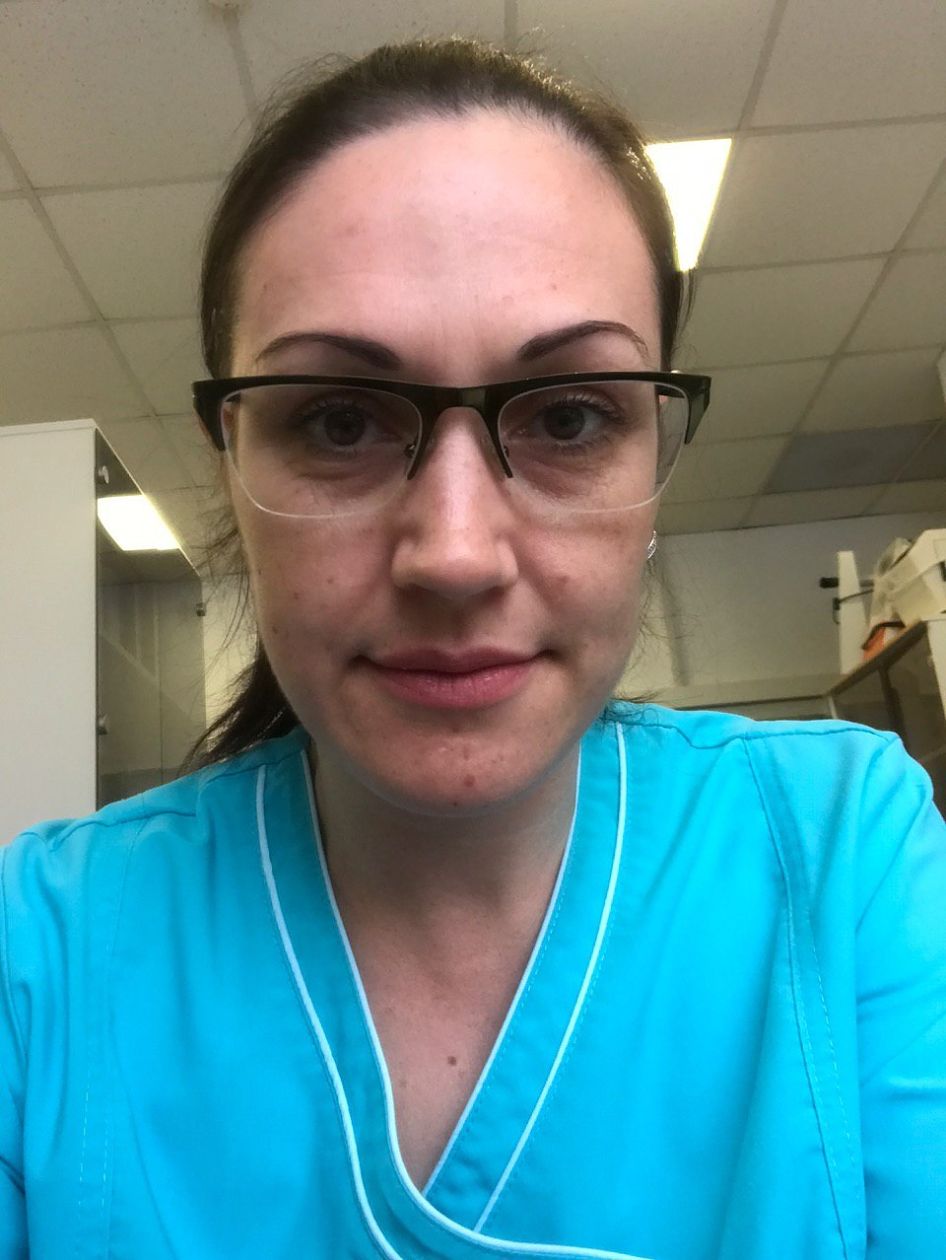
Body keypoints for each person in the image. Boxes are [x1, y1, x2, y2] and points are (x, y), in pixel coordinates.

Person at [1, 37, 944, 1260]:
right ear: (231, 471)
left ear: (655, 467)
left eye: (570, 416)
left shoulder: (839, 855)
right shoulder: (46, 950)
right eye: (338, 422)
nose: (453, 553)